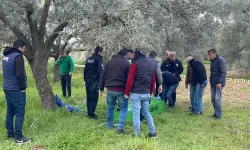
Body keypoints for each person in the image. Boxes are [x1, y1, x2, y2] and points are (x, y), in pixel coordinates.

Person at [2, 39, 32, 144]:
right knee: (20, 112)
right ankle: (19, 137)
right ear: (20, 47)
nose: (23, 50)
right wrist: (23, 87)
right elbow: (19, 74)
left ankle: (10, 133)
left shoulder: (5, 56)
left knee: (10, 111)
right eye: (23, 48)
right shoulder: (18, 57)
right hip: (16, 89)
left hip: (7, 87)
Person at [125, 49, 157, 138]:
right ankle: (153, 132)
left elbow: (130, 80)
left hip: (136, 93)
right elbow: (153, 80)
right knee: (146, 112)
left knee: (136, 114)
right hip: (146, 93)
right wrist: (150, 92)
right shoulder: (151, 64)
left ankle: (136, 134)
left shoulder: (135, 64)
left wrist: (127, 93)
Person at [99, 49, 130, 133]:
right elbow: (129, 79)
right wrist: (129, 91)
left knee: (110, 107)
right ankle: (120, 128)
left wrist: (101, 88)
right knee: (123, 108)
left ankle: (109, 126)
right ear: (125, 56)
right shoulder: (127, 63)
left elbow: (103, 75)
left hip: (110, 88)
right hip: (121, 89)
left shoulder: (109, 62)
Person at [84, 46, 103, 119]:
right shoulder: (98, 59)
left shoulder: (89, 59)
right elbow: (100, 72)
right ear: (99, 52)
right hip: (94, 81)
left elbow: (85, 70)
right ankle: (92, 114)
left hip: (87, 81)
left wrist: (85, 80)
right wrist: (101, 82)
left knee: (89, 97)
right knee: (94, 97)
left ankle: (89, 112)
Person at [207, 49, 227, 119]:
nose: (209, 56)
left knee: (217, 99)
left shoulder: (221, 60)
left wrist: (220, 82)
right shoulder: (212, 62)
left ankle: (218, 115)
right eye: (208, 55)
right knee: (213, 99)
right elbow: (213, 72)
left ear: (214, 54)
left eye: (210, 54)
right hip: (213, 83)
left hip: (219, 83)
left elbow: (223, 72)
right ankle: (216, 113)